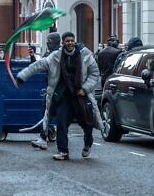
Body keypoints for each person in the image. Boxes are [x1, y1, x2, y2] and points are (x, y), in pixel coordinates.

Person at [17, 32, 102, 160]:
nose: (70, 43)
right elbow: (38, 65)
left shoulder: (85, 54)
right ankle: (63, 151)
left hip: (80, 96)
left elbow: (95, 73)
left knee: (87, 123)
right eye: (67, 41)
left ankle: (88, 143)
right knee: (62, 122)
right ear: (62, 43)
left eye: (72, 40)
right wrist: (22, 77)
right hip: (64, 96)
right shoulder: (55, 56)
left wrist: (85, 89)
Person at [29, 32, 61, 150]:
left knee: (59, 114)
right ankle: (45, 137)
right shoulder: (48, 54)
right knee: (46, 112)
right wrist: (32, 56)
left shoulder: (60, 54)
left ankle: (52, 137)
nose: (47, 43)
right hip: (50, 88)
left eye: (49, 41)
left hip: (60, 89)